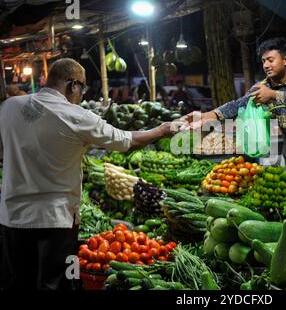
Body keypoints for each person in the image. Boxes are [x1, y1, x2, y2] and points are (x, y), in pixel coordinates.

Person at [0, 58, 176, 290]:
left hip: (11, 217)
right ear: (73, 85)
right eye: (82, 88)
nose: (81, 95)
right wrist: (162, 130)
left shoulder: (10, 107)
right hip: (56, 221)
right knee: (59, 283)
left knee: (17, 283)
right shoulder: (77, 116)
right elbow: (128, 141)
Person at [182, 38, 286, 173]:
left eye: (271, 60)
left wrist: (273, 95)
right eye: (263, 61)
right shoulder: (262, 86)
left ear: (285, 60)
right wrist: (208, 115)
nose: (266, 65)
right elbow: (238, 104)